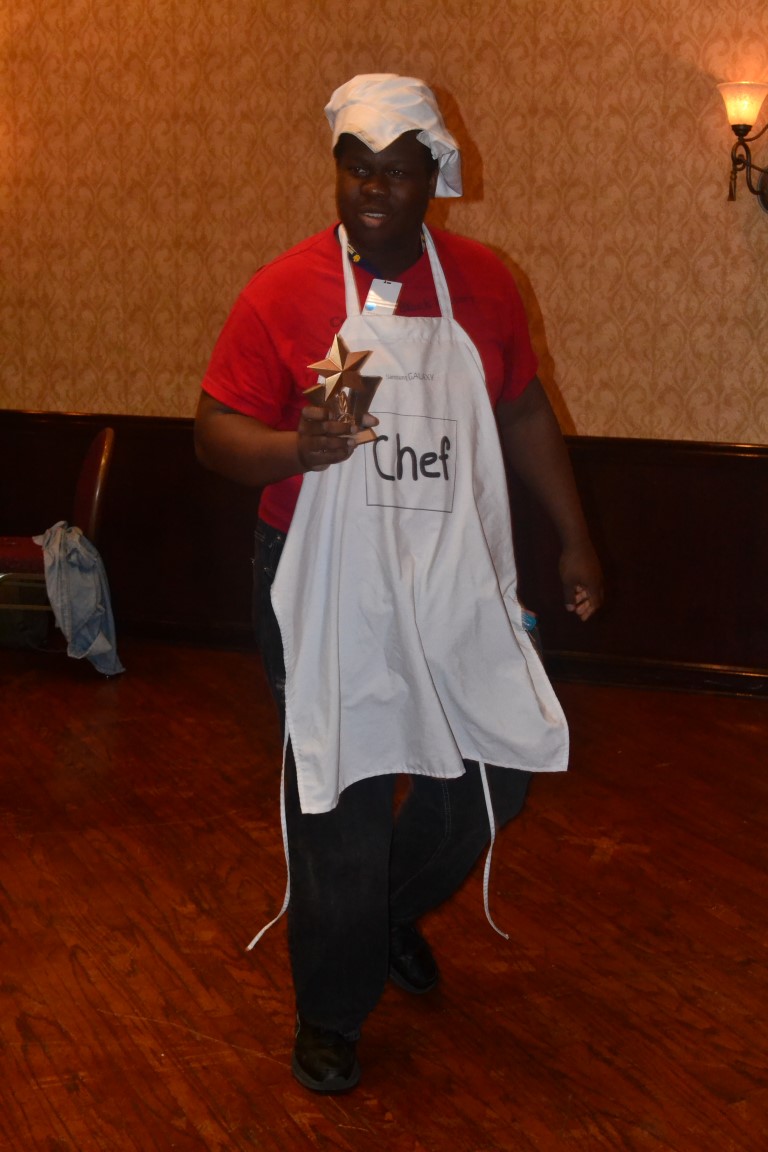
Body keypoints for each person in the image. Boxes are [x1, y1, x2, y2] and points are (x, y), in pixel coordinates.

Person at [195, 73, 603, 1094]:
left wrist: (575, 538)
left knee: (492, 777)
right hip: (323, 572)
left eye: (397, 171)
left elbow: (521, 411)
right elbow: (214, 434)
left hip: (449, 569)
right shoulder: (285, 290)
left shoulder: (484, 286)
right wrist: (296, 446)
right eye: (356, 169)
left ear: (436, 177)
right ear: (336, 173)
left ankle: (380, 918)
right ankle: (332, 1012)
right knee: (347, 788)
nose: (373, 189)